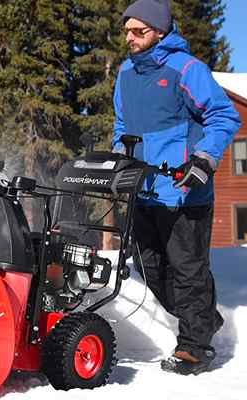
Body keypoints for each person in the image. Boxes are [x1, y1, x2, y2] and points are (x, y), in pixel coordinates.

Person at [111, 0, 242, 375]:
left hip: (185, 190)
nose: (130, 38)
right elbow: (123, 127)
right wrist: (122, 159)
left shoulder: (187, 69)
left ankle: (194, 347)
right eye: (127, 31)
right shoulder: (125, 73)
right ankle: (203, 319)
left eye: (139, 31)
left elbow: (223, 116)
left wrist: (205, 158)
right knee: (150, 268)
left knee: (188, 270)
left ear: (160, 31)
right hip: (145, 189)